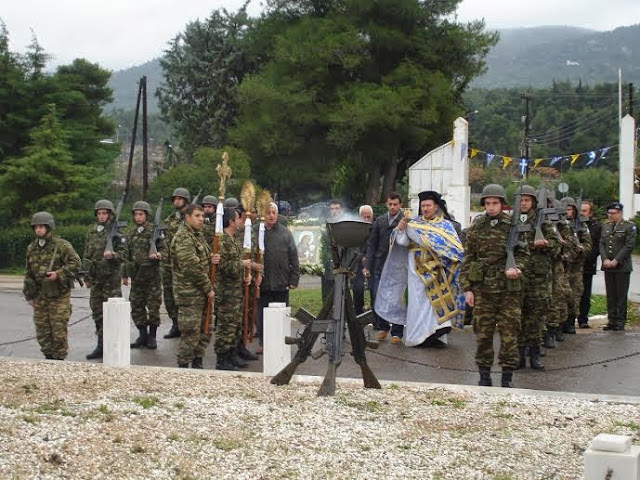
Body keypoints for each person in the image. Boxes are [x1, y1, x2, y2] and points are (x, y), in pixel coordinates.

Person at [375, 191, 464, 348]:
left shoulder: (445, 225)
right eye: (423, 206)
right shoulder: (414, 224)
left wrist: (419, 236)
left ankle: (437, 336)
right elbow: (402, 242)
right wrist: (401, 229)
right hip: (416, 272)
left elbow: (453, 248)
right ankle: (419, 337)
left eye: (428, 205)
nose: (425, 208)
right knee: (418, 304)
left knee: (435, 305)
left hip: (437, 271)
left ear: (436, 207)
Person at [460, 184, 528, 388]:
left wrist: (517, 268)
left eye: (495, 203)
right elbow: (468, 258)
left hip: (508, 290)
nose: (491, 207)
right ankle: (484, 375)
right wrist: (467, 288)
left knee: (509, 334)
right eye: (487, 203)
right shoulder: (476, 228)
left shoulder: (513, 227)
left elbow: (524, 255)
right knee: (483, 334)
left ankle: (507, 376)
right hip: (483, 290)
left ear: (502, 204)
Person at [23, 212, 81, 360]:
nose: (39, 230)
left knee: (58, 332)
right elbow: (28, 272)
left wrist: (59, 273)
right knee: (42, 333)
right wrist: (29, 295)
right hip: (40, 296)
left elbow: (76, 263)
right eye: (36, 227)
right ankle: (48, 359)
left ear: (49, 227)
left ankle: (59, 361)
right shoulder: (32, 248)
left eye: (42, 226)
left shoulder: (61, 245)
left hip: (59, 296)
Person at [515, 186, 559, 371]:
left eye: (527, 200)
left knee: (535, 319)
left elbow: (557, 246)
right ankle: (518, 356)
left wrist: (546, 243)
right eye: (521, 200)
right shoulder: (511, 221)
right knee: (517, 318)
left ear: (533, 202)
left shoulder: (543, 222)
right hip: (517, 277)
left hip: (538, 279)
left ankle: (534, 354)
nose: (524, 203)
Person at [215, 208, 261, 369]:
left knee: (234, 325)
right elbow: (222, 265)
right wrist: (241, 265)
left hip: (235, 290)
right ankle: (222, 359)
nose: (240, 221)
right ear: (231, 222)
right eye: (237, 219)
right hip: (226, 292)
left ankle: (232, 354)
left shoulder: (232, 239)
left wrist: (245, 274)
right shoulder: (222, 241)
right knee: (226, 326)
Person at [171, 203, 214, 368]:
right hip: (189, 295)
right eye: (197, 216)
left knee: (204, 331)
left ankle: (197, 364)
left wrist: (212, 259)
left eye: (202, 216)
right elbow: (191, 267)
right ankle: (183, 368)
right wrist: (208, 288)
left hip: (200, 294)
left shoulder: (197, 235)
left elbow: (202, 260)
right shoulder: (184, 237)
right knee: (190, 333)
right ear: (187, 217)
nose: (201, 219)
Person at [83, 199, 124, 360]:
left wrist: (113, 255)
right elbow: (87, 254)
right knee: (97, 313)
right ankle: (100, 345)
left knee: (112, 315)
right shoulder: (92, 231)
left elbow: (125, 255)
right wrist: (86, 275)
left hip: (110, 280)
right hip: (96, 280)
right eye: (99, 213)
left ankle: (113, 345)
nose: (101, 216)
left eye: (104, 213)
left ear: (110, 214)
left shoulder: (117, 232)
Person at [256, 202, 300, 353]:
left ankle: (282, 340)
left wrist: (294, 279)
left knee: (282, 314)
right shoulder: (257, 231)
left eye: (273, 212)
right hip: (263, 282)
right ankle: (263, 342)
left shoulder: (285, 233)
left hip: (282, 281)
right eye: (268, 212)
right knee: (262, 314)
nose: (271, 216)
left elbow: (293, 257)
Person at [362, 192, 404, 340]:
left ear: (400, 205)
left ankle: (397, 332)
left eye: (395, 204)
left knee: (396, 300)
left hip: (398, 267)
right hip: (380, 265)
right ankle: (383, 326)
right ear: (386, 204)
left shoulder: (405, 220)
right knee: (377, 296)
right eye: (390, 204)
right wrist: (367, 265)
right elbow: (371, 245)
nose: (392, 207)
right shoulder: (379, 221)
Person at [122, 201, 162, 350]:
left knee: (153, 307)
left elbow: (166, 250)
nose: (138, 217)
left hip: (152, 277)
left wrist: (158, 254)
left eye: (141, 214)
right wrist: (125, 275)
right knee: (137, 306)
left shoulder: (154, 231)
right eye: (136, 214)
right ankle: (142, 335)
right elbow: (126, 255)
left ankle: (152, 336)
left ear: (146, 215)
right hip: (137, 277)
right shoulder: (131, 233)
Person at [600, 201, 637, 331]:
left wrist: (616, 260)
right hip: (607, 265)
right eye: (609, 213)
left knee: (620, 295)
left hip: (622, 266)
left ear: (620, 213)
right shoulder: (605, 226)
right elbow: (602, 244)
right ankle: (612, 320)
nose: (610, 215)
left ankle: (620, 321)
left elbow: (629, 246)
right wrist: (604, 259)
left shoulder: (629, 226)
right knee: (610, 294)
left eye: (613, 213)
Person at [162, 187, 191, 339]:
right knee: (169, 296)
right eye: (175, 199)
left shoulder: (190, 218)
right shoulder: (171, 218)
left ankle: (186, 325)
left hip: (183, 263)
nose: (176, 201)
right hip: (168, 263)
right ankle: (175, 324)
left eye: (179, 198)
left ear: (186, 200)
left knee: (184, 295)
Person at [561, 196, 592, 334]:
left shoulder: (581, 225)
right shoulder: (558, 224)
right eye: (565, 209)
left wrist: (581, 248)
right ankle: (559, 323)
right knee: (561, 296)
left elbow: (588, 245)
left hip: (575, 267)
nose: (568, 212)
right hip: (561, 266)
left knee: (575, 295)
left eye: (570, 209)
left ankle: (570, 321)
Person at [578, 200, 602, 328]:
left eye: (584, 211)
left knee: (585, 294)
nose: (581, 213)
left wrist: (586, 257)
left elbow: (597, 246)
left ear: (590, 213)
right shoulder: (573, 224)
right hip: (572, 265)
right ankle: (568, 320)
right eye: (580, 210)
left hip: (587, 265)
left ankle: (583, 319)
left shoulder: (596, 226)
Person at [351, 205, 373, 315]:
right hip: (358, 263)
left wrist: (368, 258)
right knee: (357, 289)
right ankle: (358, 314)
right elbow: (353, 246)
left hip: (372, 263)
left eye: (368, 217)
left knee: (374, 290)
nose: (366, 219)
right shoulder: (355, 229)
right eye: (364, 217)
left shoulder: (375, 228)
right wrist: (361, 257)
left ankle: (375, 318)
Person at [321, 199, 344, 302]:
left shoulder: (346, 224)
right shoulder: (325, 225)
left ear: (342, 210)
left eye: (337, 208)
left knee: (341, 296)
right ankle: (327, 316)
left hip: (342, 266)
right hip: (327, 266)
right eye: (332, 209)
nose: (334, 211)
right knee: (327, 296)